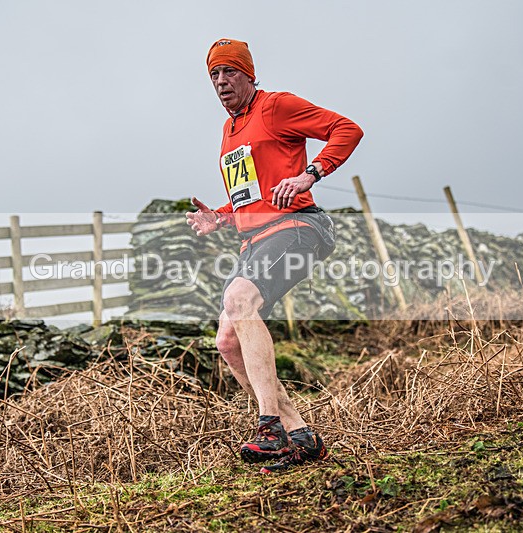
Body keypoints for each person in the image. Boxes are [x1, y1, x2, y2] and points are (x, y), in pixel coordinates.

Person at [186, 38, 363, 473]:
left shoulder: (276, 106)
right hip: (255, 238)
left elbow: (347, 129)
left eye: (230, 71)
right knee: (227, 341)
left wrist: (310, 174)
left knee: (239, 299)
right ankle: (300, 435)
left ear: (249, 74)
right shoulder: (229, 131)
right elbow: (253, 196)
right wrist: (221, 217)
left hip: (298, 227)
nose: (221, 81)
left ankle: (269, 427)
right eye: (214, 74)